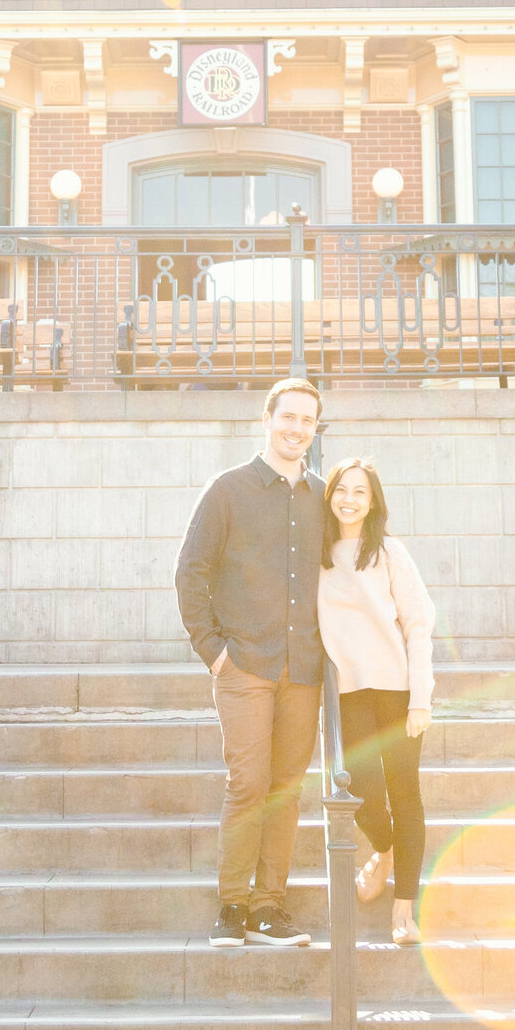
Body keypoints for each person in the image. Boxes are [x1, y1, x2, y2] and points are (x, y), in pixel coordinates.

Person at [174, 375, 325, 948]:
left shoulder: (321, 496)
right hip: (244, 667)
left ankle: (269, 908)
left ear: (314, 430)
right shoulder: (228, 490)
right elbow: (191, 571)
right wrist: (212, 652)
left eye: (308, 421)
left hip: (303, 670)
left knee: (286, 787)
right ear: (267, 419)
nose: (296, 429)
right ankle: (233, 906)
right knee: (249, 782)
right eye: (288, 417)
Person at [316, 456, 434, 946]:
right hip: (347, 692)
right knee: (359, 790)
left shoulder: (388, 551)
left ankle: (404, 911)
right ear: (330, 497)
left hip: (397, 689)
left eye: (359, 492)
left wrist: (421, 698)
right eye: (341, 489)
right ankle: (383, 850)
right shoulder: (315, 554)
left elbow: (419, 622)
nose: (349, 499)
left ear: (373, 501)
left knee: (404, 794)